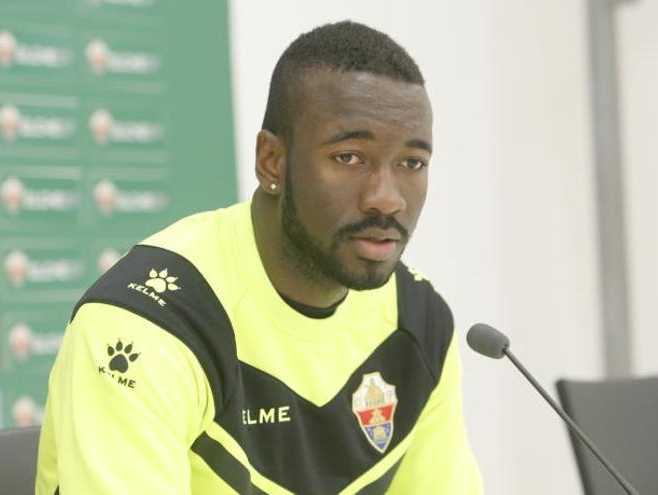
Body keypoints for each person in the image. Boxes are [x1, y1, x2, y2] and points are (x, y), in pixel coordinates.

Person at [35, 20, 482, 494]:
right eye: (349, 157)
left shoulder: (417, 320)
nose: (386, 198)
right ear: (272, 161)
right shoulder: (148, 323)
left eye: (411, 163)